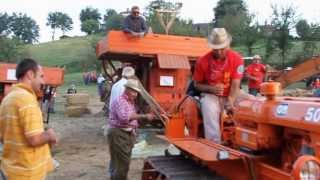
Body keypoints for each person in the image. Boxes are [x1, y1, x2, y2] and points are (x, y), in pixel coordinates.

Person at [0, 58, 58, 180]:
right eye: (41, 76)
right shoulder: (27, 100)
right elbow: (35, 139)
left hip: (10, 170)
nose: (43, 81)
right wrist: (49, 134)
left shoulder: (7, 99)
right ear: (30, 75)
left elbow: (2, 137)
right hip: (27, 174)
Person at [193, 28, 244, 144]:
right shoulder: (202, 61)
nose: (220, 52)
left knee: (252, 103)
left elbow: (236, 83)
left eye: (222, 49)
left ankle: (245, 140)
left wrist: (231, 100)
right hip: (211, 95)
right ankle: (214, 143)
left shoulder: (237, 59)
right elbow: (196, 85)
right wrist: (211, 89)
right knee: (209, 108)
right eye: (216, 49)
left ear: (228, 45)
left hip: (232, 93)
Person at [107, 79, 155, 180]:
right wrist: (144, 116)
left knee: (119, 161)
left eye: (136, 92)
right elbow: (124, 118)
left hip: (123, 134)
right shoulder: (121, 101)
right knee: (123, 163)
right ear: (127, 90)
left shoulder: (129, 102)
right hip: (118, 133)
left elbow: (132, 118)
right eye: (134, 91)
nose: (136, 94)